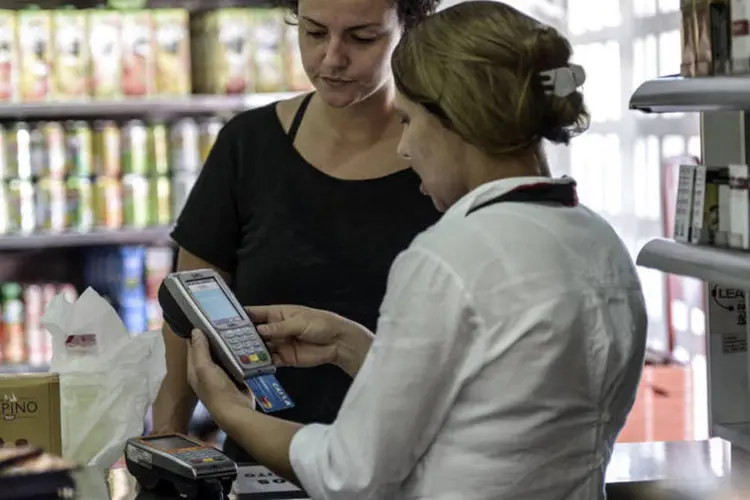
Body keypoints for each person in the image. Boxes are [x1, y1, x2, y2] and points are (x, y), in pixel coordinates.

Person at [186, 1, 648, 498]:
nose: (404, 148)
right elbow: (497, 403)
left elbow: (350, 473)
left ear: (454, 120)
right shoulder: (602, 245)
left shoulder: (448, 257)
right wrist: (352, 347)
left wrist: (229, 410)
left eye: (408, 121)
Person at [150, 0, 442, 461]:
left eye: (363, 37)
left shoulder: (446, 157)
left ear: (410, 29)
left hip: (412, 462)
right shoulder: (247, 145)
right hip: (262, 461)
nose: (331, 59)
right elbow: (186, 321)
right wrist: (166, 439)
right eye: (314, 33)